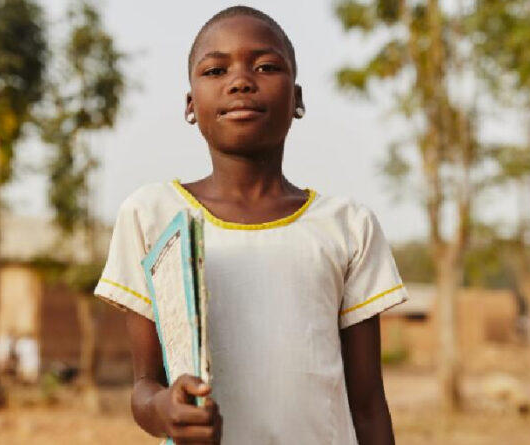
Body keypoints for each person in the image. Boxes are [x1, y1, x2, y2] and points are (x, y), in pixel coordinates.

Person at [94, 6, 408, 444]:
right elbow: (145, 386)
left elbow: (369, 404)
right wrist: (164, 410)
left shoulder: (348, 225)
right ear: (190, 105)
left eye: (265, 66)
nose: (240, 81)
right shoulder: (153, 216)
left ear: (297, 99)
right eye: (215, 70)